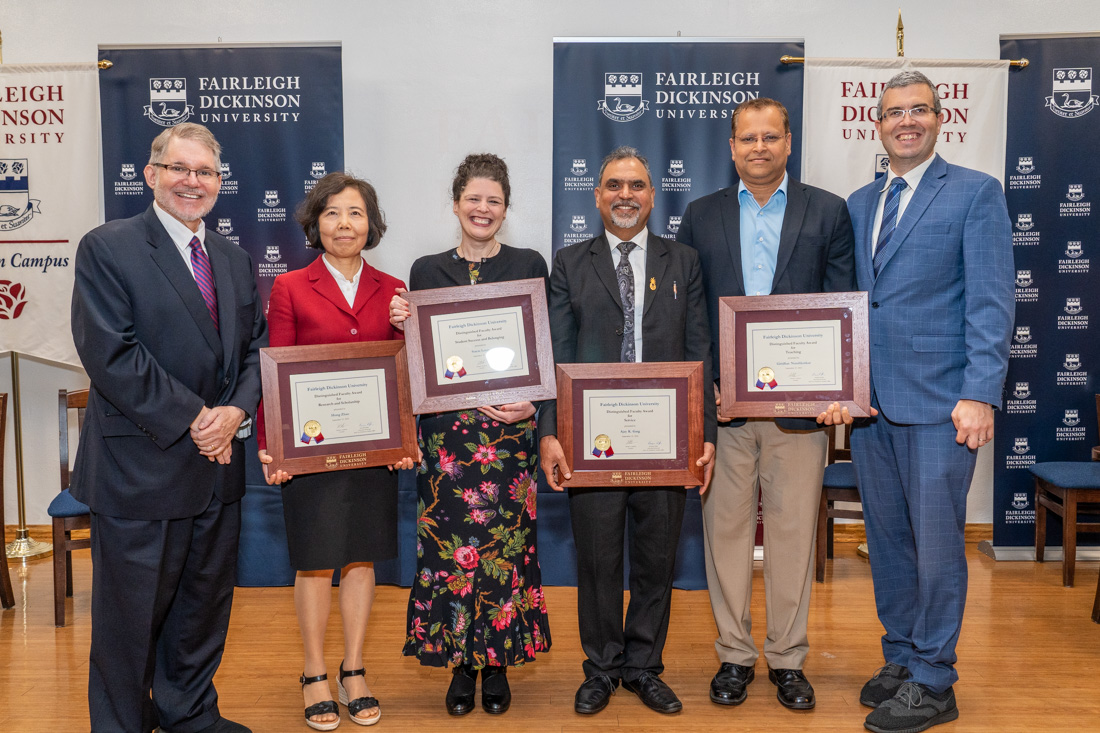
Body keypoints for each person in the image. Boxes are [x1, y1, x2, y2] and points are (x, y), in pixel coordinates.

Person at [825, 70, 1013, 733]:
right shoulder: (858, 202)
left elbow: (992, 300)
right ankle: (902, 655)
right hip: (873, 410)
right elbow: (853, 305)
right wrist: (838, 388)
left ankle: (936, 679)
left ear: (940, 119)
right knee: (891, 543)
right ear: (876, 125)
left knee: (937, 549)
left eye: (919, 110)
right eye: (894, 112)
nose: (907, 120)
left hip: (942, 407)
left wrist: (980, 393)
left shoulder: (974, 194)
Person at [70, 123, 267, 733]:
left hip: (216, 471)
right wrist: (195, 419)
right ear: (152, 175)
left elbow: (256, 351)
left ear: (219, 183)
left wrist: (235, 412)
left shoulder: (232, 258)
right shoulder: (109, 246)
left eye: (205, 172)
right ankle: (122, 724)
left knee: (201, 611)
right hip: (142, 471)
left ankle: (188, 715)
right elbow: (111, 354)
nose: (193, 181)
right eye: (180, 168)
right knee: (130, 619)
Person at [675, 98, 855, 712]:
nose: (759, 147)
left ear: (787, 143)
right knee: (724, 535)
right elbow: (689, 316)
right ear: (732, 147)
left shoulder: (827, 210)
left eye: (770, 137)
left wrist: (833, 391)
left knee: (791, 533)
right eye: (747, 138)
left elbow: (839, 306)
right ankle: (733, 655)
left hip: (798, 413)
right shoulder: (699, 217)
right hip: (723, 410)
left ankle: (787, 657)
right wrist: (704, 388)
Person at [539, 146, 716, 716]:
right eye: (613, 185)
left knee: (655, 558)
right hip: (591, 441)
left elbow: (699, 351)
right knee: (594, 559)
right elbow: (556, 354)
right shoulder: (568, 262)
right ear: (596, 195)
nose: (624, 195)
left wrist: (704, 433)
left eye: (636, 185)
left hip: (666, 440)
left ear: (652, 196)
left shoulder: (683, 261)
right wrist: (550, 432)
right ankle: (601, 667)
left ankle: (643, 666)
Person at [389, 153, 551, 716]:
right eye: (474, 198)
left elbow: (543, 349)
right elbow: (418, 357)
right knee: (448, 553)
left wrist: (533, 402)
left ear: (506, 209)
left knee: (502, 552)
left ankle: (498, 661)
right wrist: (402, 323)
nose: (483, 209)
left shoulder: (530, 263)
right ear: (455, 202)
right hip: (447, 441)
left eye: (494, 200)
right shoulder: (425, 270)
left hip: (508, 436)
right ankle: (460, 665)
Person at [256, 172, 413, 730]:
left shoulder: (396, 290)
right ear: (314, 223)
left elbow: (404, 375)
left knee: (363, 555)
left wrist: (404, 441)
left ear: (371, 224)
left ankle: (353, 668)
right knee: (316, 559)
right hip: (311, 449)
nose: (344, 224)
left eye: (355, 213)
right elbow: (275, 370)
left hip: (374, 451)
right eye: (332, 213)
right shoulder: (290, 287)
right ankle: (314, 671)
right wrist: (273, 447)